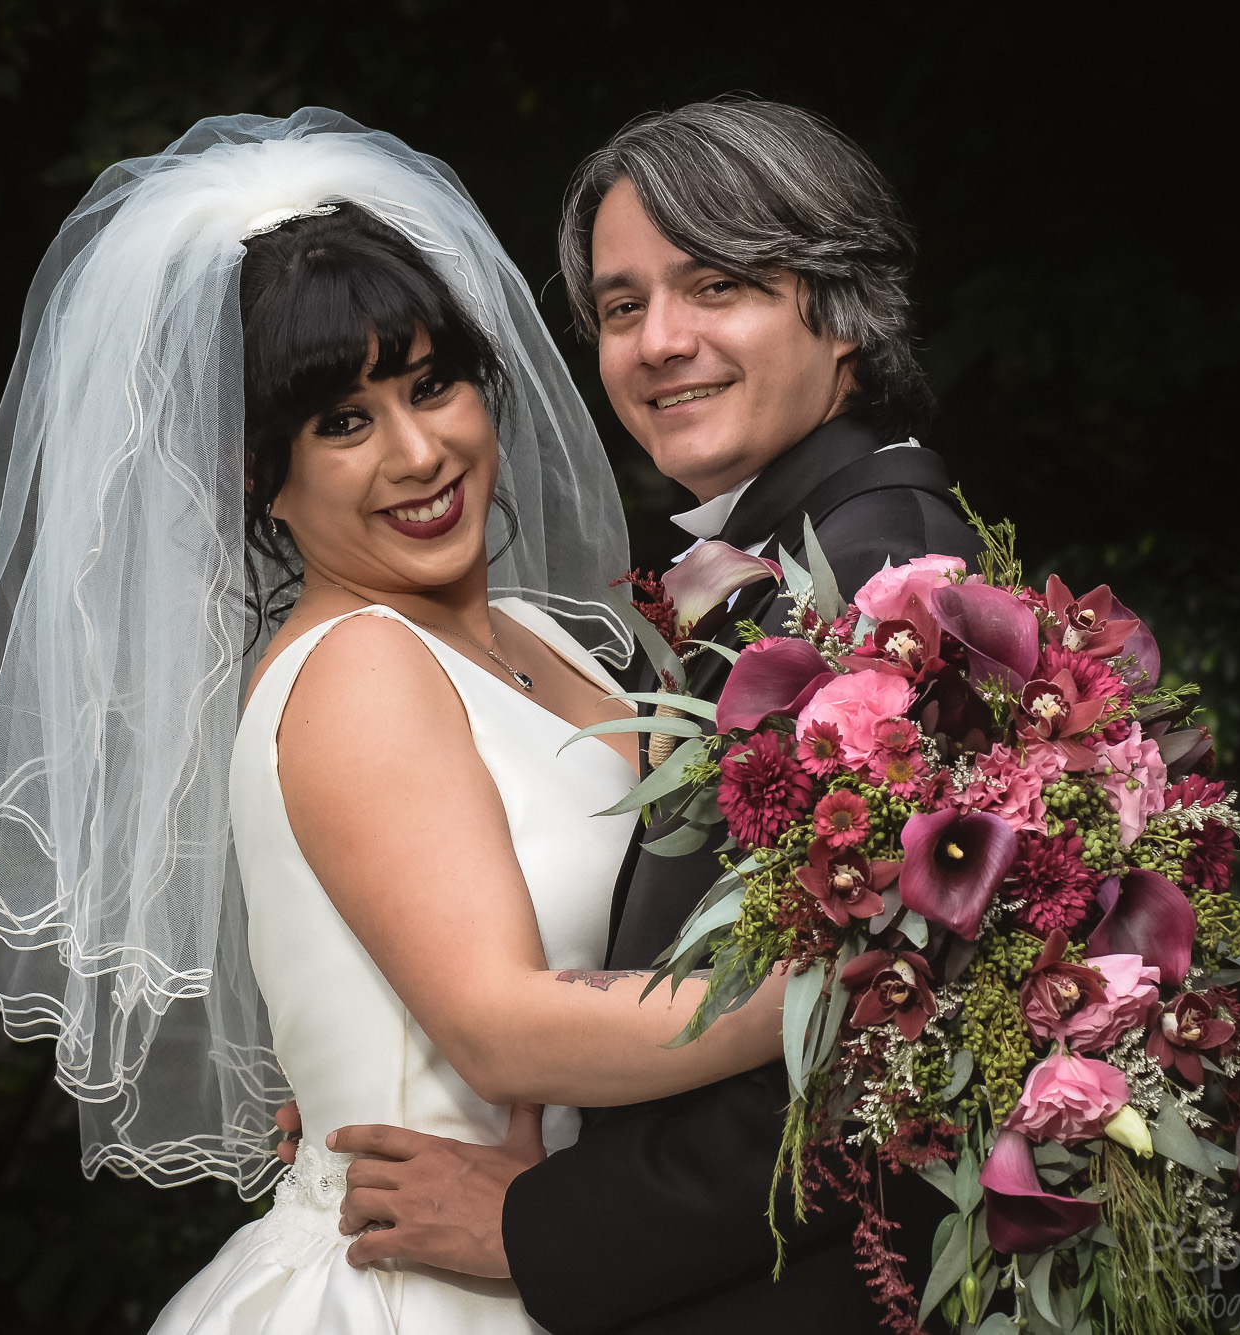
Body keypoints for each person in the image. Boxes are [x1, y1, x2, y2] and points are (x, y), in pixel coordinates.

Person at [0, 108, 790, 1335]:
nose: (417, 453)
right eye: (341, 423)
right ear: (258, 474)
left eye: (430, 384)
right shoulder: (359, 668)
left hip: (567, 1253)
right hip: (419, 1288)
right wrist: (831, 992)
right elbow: (501, 1032)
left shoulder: (559, 642)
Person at [323, 98, 980, 1333]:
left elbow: (890, 1036)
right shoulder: (800, 561)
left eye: (716, 287)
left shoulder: (882, 583)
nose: (658, 343)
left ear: (841, 310)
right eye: (621, 308)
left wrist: (539, 1227)